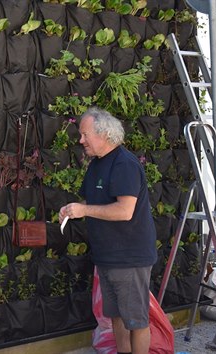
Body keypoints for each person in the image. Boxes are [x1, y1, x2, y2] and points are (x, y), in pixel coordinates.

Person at [59, 107, 157, 354]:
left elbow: (125, 211)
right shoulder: (96, 165)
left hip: (129, 257)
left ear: (103, 134)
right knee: (116, 316)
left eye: (84, 134)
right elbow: (91, 203)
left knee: (136, 320)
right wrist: (73, 209)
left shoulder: (125, 164)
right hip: (107, 257)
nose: (80, 140)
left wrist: (85, 211)